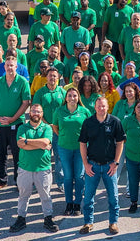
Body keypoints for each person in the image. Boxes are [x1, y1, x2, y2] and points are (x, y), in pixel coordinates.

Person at [79, 96, 126, 234]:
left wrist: (116, 162)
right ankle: (88, 222)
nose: (101, 108)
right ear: (95, 107)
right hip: (92, 166)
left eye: (103, 106)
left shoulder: (115, 122)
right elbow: (82, 143)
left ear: (107, 107)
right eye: (98, 106)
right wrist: (85, 164)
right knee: (88, 197)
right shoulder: (88, 122)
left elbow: (120, 143)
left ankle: (113, 223)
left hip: (109, 166)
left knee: (113, 197)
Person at [9, 103, 59, 233]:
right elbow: (20, 144)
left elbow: (45, 142)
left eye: (39, 111)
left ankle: (48, 218)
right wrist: (38, 144)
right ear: (29, 113)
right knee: (23, 195)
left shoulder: (47, 127)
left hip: (43, 168)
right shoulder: (22, 127)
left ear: (42, 114)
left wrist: (27, 142)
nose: (36, 113)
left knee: (45, 195)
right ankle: (21, 218)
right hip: (25, 168)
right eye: (33, 111)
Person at [0, 56, 32, 189]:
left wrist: (13, 118)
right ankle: (1, 180)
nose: (9, 68)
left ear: (16, 67)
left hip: (17, 123)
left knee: (17, 154)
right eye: (7, 65)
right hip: (0, 123)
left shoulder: (22, 82)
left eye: (11, 65)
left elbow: (26, 103)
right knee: (0, 153)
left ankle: (19, 181)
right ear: (4, 67)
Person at [56, 87, 90, 215]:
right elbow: (55, 127)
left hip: (80, 148)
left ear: (78, 98)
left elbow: (89, 129)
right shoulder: (59, 111)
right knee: (68, 176)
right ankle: (69, 203)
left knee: (79, 176)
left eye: (74, 96)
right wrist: (64, 136)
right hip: (64, 147)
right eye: (69, 95)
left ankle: (77, 203)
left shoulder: (84, 111)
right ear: (66, 98)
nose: (72, 98)